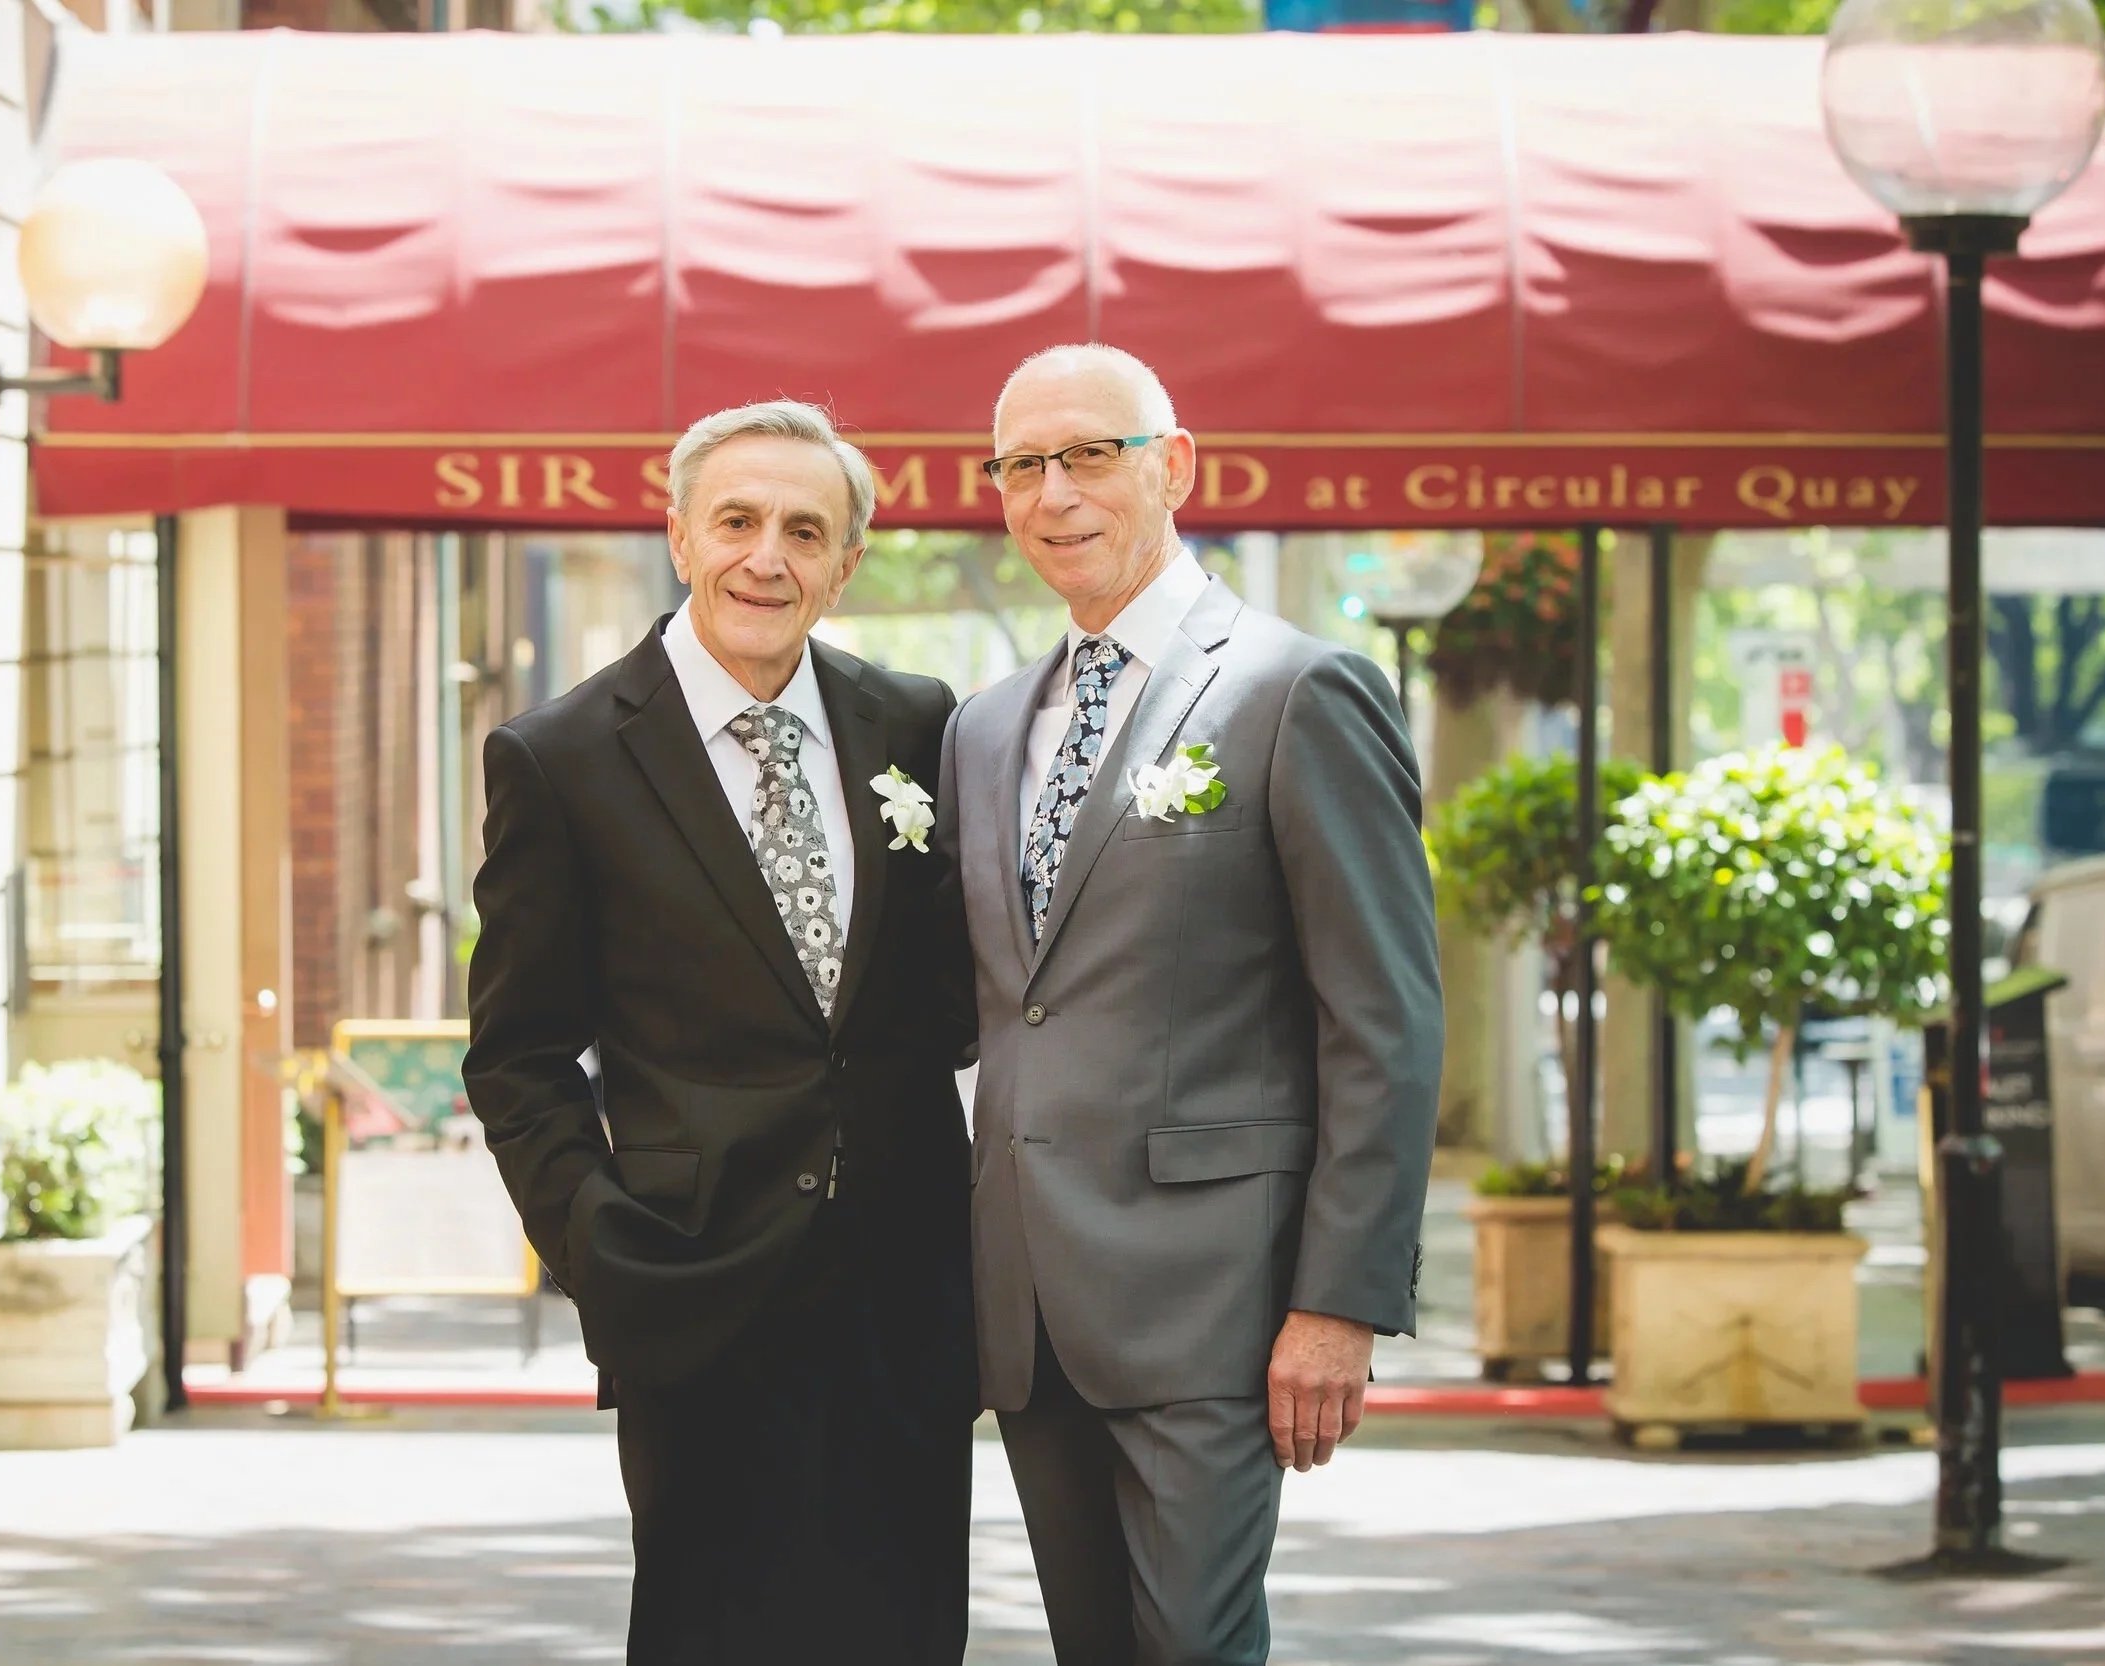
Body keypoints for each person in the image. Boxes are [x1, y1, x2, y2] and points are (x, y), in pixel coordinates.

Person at [940, 344, 1445, 1666]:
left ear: (1172, 466)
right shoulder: (983, 729)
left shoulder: (1292, 689)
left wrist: (1339, 1298)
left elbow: (1379, 1019)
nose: (1051, 493)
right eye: (1019, 465)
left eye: (1087, 454)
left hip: (1213, 1300)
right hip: (1031, 1307)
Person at [460, 400, 975, 1666]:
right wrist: (600, 1245)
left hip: (905, 1300)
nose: (768, 556)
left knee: (908, 1637)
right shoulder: (562, 755)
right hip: (697, 1295)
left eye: (806, 530)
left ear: (847, 562)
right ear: (680, 535)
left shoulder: (918, 725)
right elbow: (517, 1054)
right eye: (737, 521)